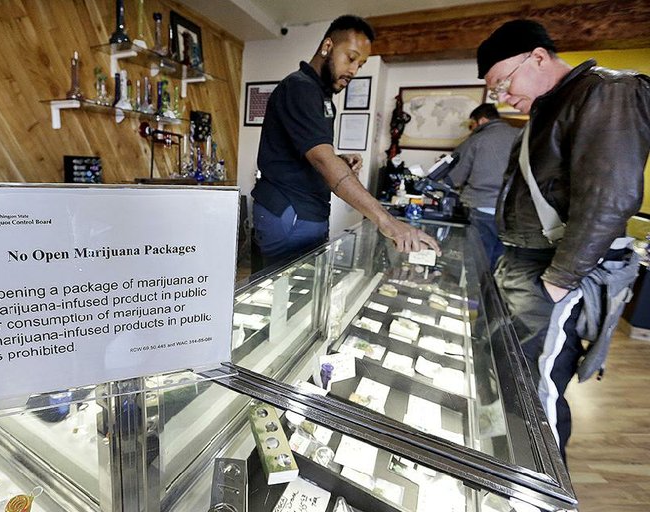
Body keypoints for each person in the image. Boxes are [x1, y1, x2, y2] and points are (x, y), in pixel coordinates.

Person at [477, 19, 650, 460]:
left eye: (503, 82)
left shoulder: (607, 91)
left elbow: (610, 198)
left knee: (535, 390)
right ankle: (505, 465)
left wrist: (560, 279)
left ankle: (539, 489)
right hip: (526, 264)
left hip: (551, 271)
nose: (503, 96)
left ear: (537, 56)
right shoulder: (550, 106)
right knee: (509, 376)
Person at [251, 15, 440, 269]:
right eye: (351, 58)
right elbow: (322, 160)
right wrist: (387, 222)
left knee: (303, 293)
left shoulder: (322, 96)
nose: (353, 71)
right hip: (291, 212)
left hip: (308, 211)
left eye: (360, 65)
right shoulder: (300, 88)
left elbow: (309, 153)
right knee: (283, 297)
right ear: (327, 46)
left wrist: (338, 159)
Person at [448, 103, 520, 270]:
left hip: (481, 207)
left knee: (477, 262)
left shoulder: (477, 139)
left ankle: (476, 295)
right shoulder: (520, 136)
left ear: (481, 120)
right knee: (501, 262)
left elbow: (455, 177)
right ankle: (493, 295)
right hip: (512, 211)